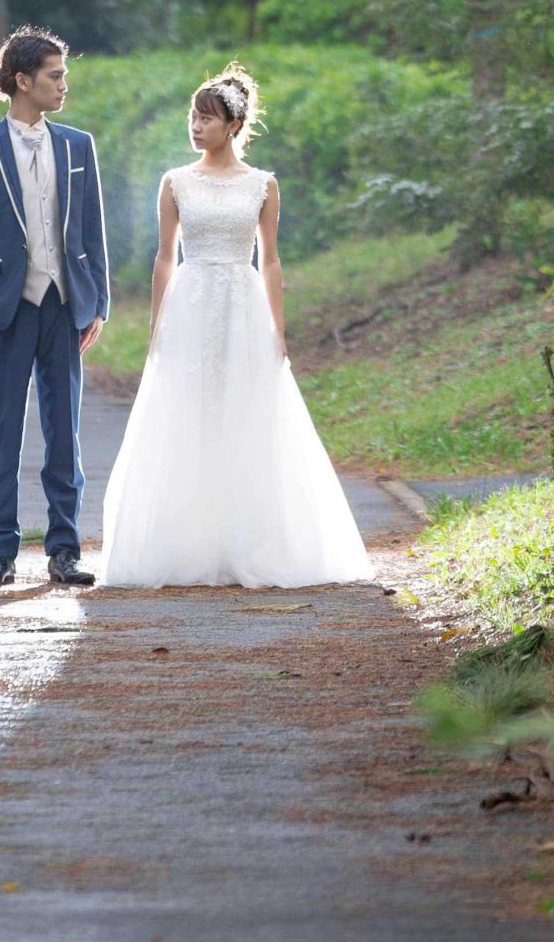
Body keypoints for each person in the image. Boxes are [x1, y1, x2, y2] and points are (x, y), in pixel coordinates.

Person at [100, 64, 374, 589]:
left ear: (233, 124)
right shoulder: (175, 181)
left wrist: (279, 325)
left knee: (246, 411)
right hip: (191, 300)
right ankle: (187, 544)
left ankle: (248, 541)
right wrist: (157, 323)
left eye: (206, 118)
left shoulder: (263, 185)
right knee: (188, 412)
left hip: (243, 302)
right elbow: (164, 258)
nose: (196, 126)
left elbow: (270, 260)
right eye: (193, 116)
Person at [0, 25, 108, 589]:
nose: (64, 85)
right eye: (55, 76)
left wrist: (99, 303)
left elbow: (91, 229)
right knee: (3, 432)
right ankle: (0, 551)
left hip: (65, 304)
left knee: (64, 431)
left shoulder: (77, 145)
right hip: (6, 309)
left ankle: (65, 549)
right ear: (23, 81)